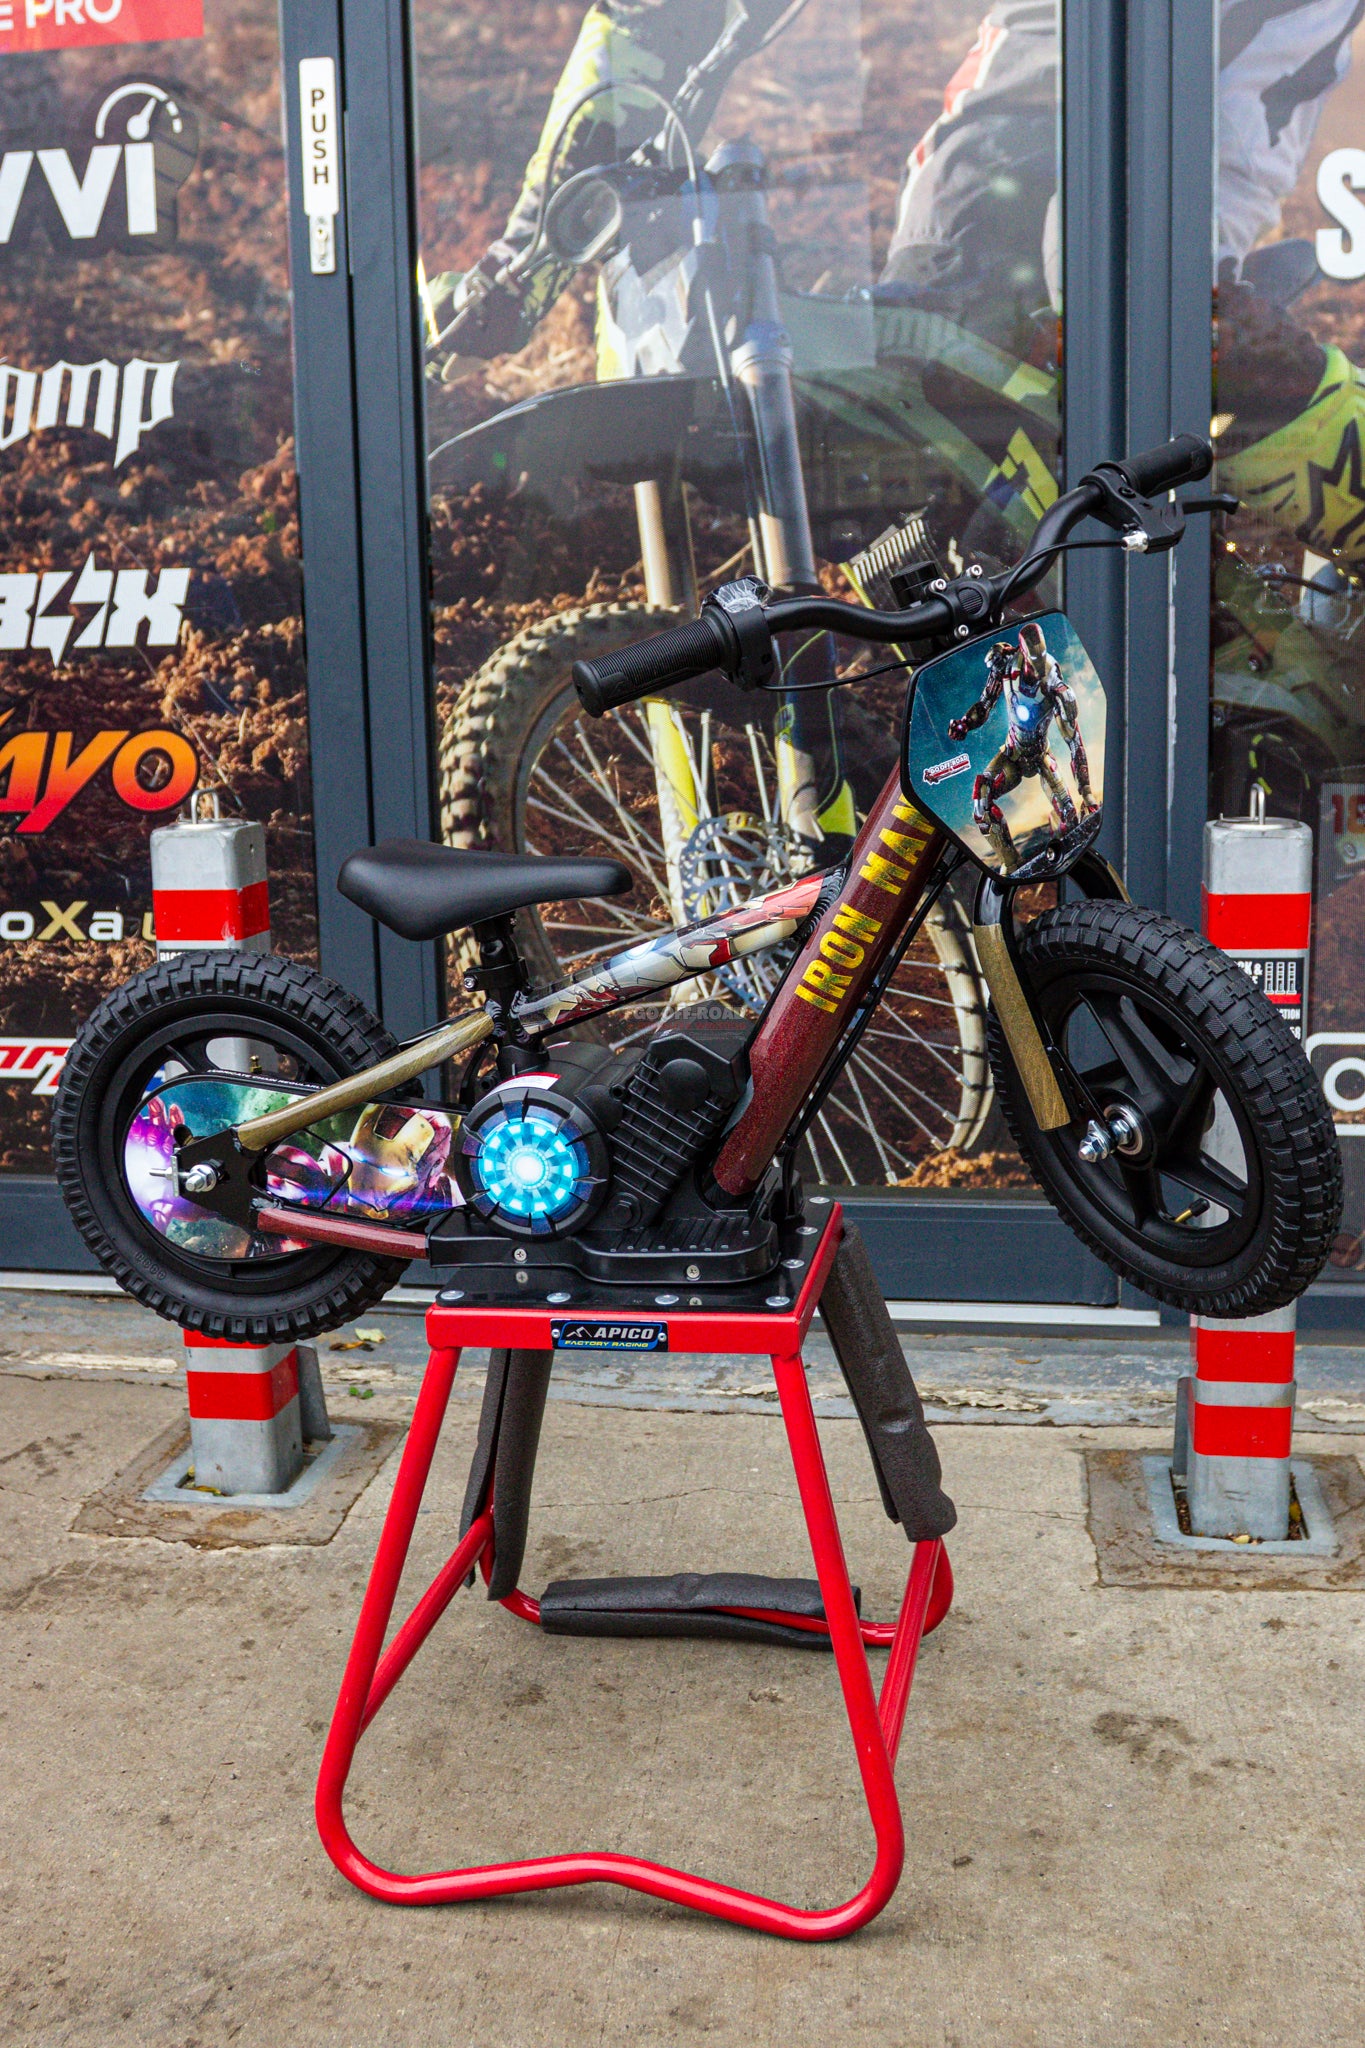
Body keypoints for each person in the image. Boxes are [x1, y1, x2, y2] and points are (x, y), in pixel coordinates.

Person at [433, 0, 1365, 563]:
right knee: (916, 392)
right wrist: (520, 263)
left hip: (1199, 108)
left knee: (1113, 295)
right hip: (1013, 117)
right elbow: (657, 18)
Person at [947, 621, 1095, 870]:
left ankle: (1057, 840)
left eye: (1040, 661)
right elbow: (985, 704)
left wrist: (1087, 792)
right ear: (1023, 653)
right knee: (981, 801)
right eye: (1032, 661)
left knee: (1070, 819)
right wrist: (965, 723)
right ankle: (1011, 863)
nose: (1037, 671)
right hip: (1012, 754)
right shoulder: (1005, 664)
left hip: (1040, 755)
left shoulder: (1055, 685)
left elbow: (1074, 741)